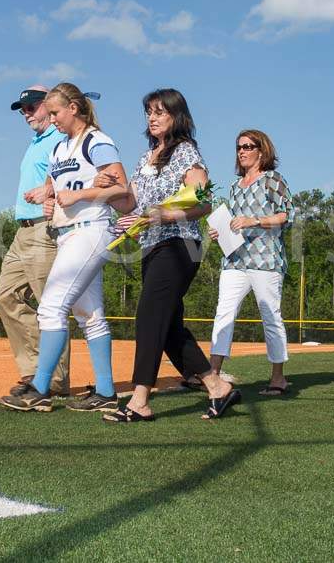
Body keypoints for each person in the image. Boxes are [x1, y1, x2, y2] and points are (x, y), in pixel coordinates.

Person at [101, 88, 238, 422]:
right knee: (169, 326)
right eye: (149, 111)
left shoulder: (187, 152)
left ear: (177, 116)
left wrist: (161, 214)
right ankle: (217, 387)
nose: (152, 117)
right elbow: (130, 204)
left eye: (160, 112)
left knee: (149, 317)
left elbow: (202, 203)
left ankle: (139, 401)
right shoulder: (145, 159)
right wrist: (107, 192)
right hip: (153, 246)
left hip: (181, 244)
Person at [0, 83, 134, 412]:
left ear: (74, 108)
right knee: (89, 314)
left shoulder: (96, 141)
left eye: (57, 112)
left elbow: (123, 191)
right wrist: (49, 197)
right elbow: (61, 188)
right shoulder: (61, 149)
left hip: (91, 230)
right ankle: (105, 392)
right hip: (67, 233)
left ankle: (41, 387)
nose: (54, 118)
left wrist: (82, 194)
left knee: (51, 307)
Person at [207, 129, 294, 395]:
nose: (242, 151)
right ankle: (213, 376)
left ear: (261, 150)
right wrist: (220, 231)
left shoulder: (272, 179)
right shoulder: (234, 187)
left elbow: (287, 215)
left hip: (266, 261)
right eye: (238, 147)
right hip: (235, 260)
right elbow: (233, 221)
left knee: (270, 317)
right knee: (224, 313)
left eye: (247, 146)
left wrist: (254, 220)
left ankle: (278, 378)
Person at [0, 85, 68, 397]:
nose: (26, 114)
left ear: (50, 106)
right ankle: (34, 370)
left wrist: (50, 194)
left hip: (45, 228)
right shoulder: (35, 142)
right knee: (6, 296)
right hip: (22, 230)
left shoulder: (60, 139)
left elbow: (71, 178)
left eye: (32, 107)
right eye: (22, 109)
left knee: (50, 306)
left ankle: (54, 379)